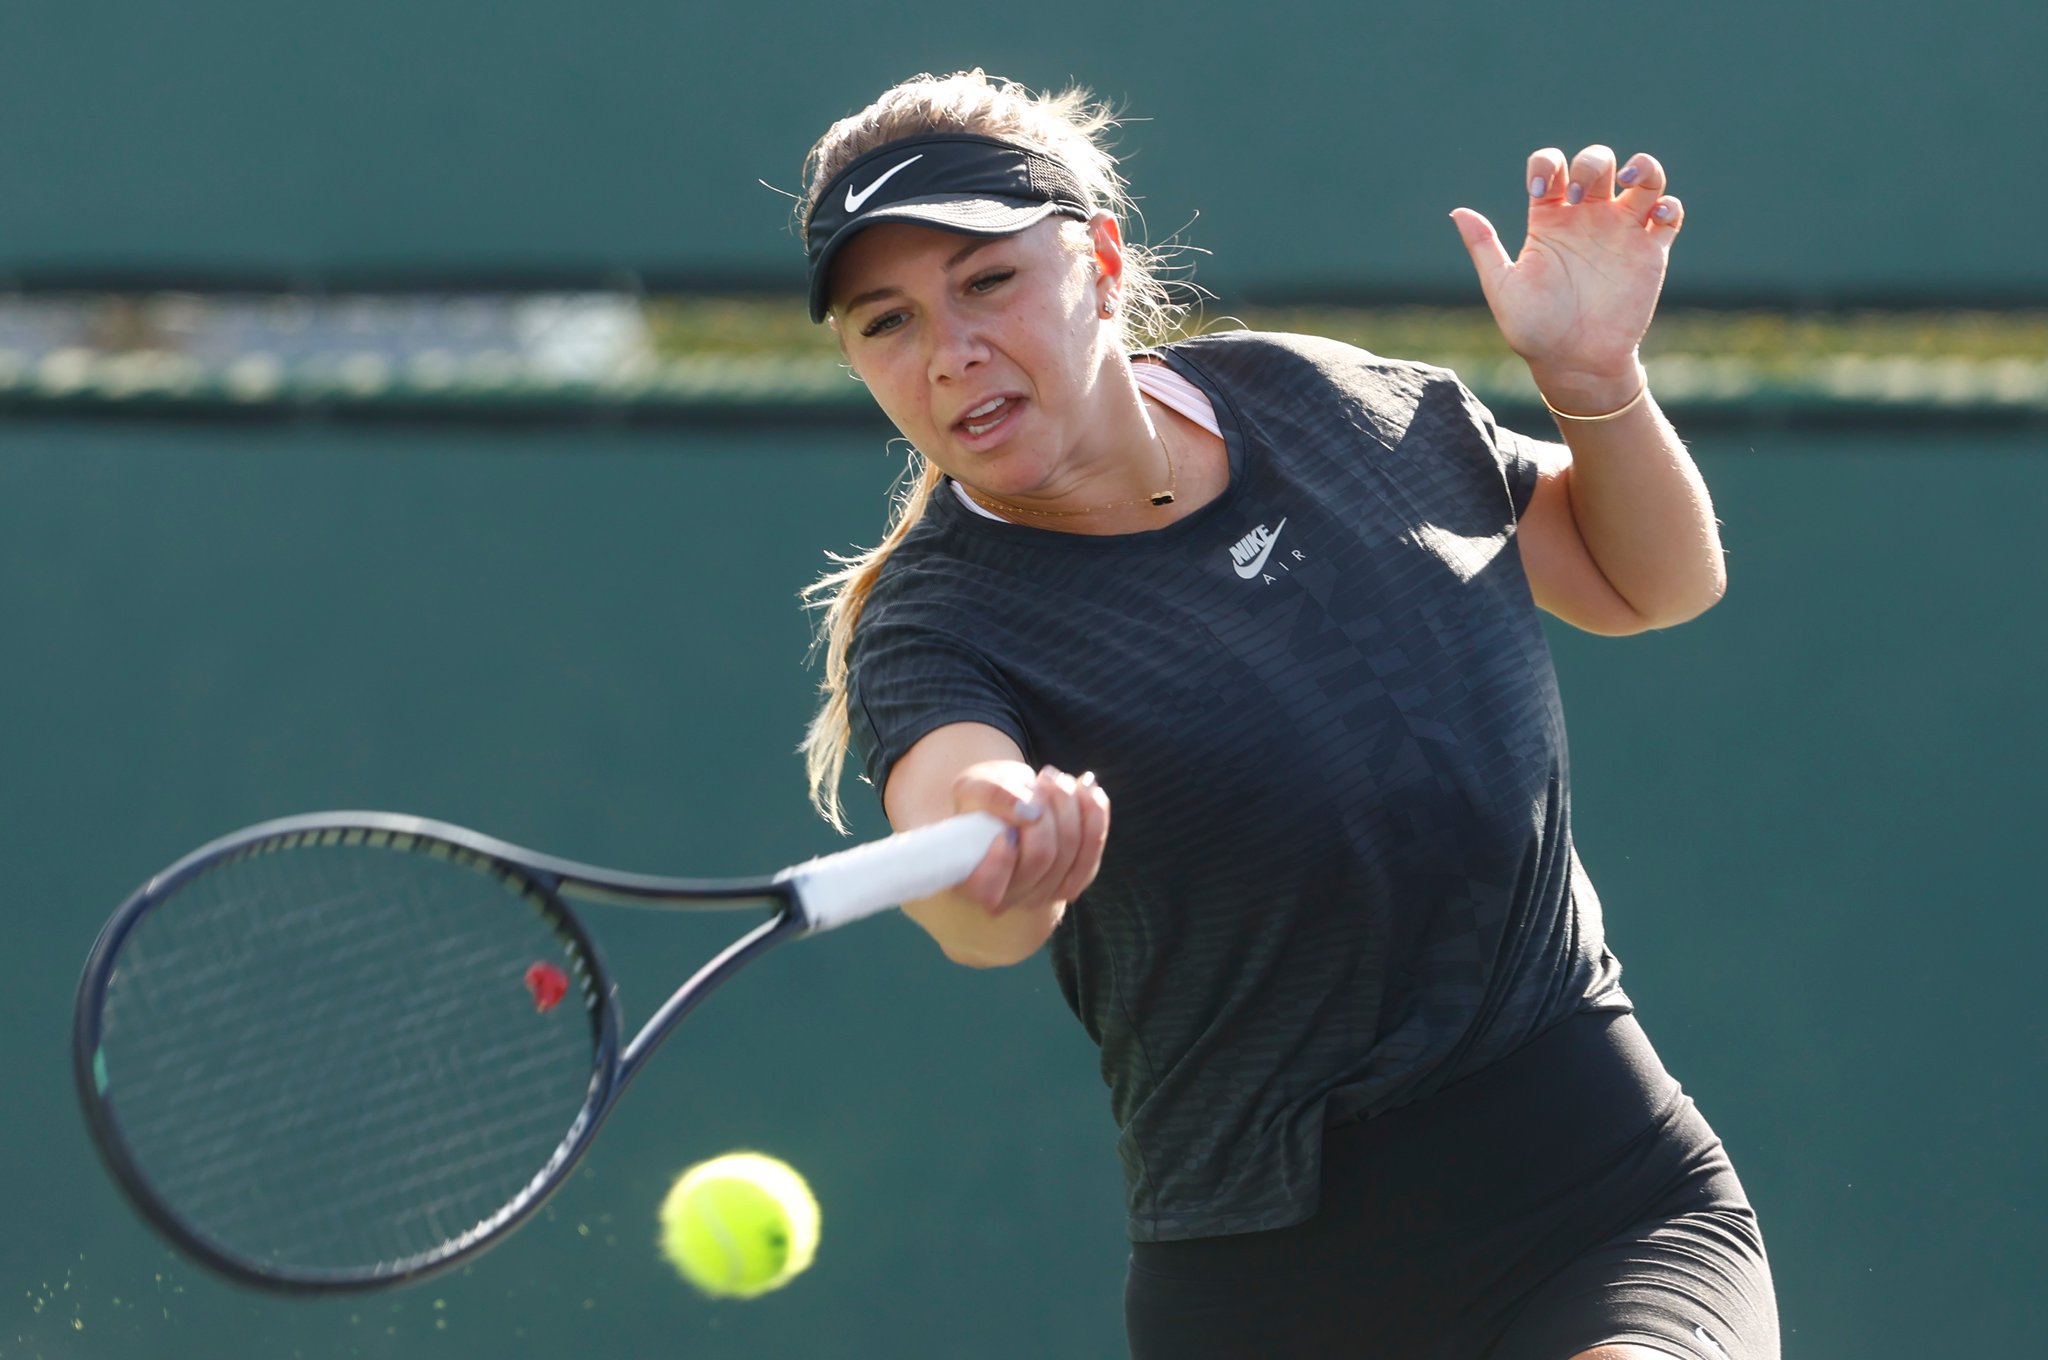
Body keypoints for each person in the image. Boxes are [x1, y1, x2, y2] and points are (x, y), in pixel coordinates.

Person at [793, 69, 1778, 1360]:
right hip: (1273, 1295)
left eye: (986, 282)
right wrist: (1000, 826)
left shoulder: (1334, 404)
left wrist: (1594, 380)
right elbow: (977, 892)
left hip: (1595, 1194)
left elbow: (1648, 580)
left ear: (1098, 258)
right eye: (886, 322)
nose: (949, 352)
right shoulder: (933, 622)